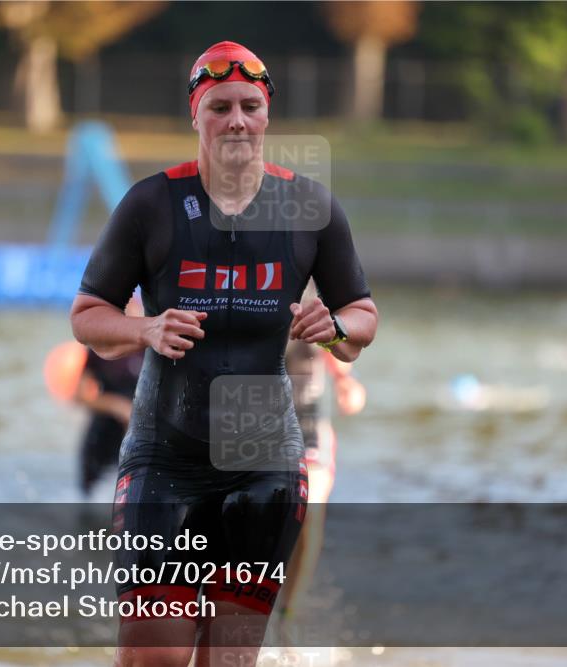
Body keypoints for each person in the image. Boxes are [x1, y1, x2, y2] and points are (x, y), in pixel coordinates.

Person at [70, 40, 378, 667]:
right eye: (219, 107)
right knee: (153, 659)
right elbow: (86, 316)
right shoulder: (150, 204)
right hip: (164, 460)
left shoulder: (311, 209)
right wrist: (146, 329)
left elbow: (363, 319)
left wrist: (334, 326)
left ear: (266, 116)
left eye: (248, 106)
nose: (236, 120)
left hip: (263, 472)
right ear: (196, 115)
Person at [277, 317, 366, 623]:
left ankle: (289, 614)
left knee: (308, 515)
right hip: (257, 430)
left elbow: (347, 382)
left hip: (310, 432)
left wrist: (348, 390)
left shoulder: (316, 315)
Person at [73, 297, 145, 498]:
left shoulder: (152, 347)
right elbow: (79, 396)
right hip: (101, 436)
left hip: (138, 435)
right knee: (89, 503)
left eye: (135, 308)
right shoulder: (100, 346)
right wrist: (117, 406)